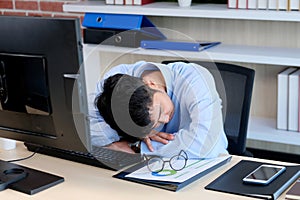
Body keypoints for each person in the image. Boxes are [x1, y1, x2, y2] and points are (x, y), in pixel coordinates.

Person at [89, 61, 228, 159]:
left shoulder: (195, 79)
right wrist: (137, 131)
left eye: (161, 111)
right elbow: (86, 127)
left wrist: (138, 147)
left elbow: (205, 144)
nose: (166, 119)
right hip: (150, 169)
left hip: (206, 164)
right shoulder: (114, 85)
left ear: (151, 84)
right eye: (154, 125)